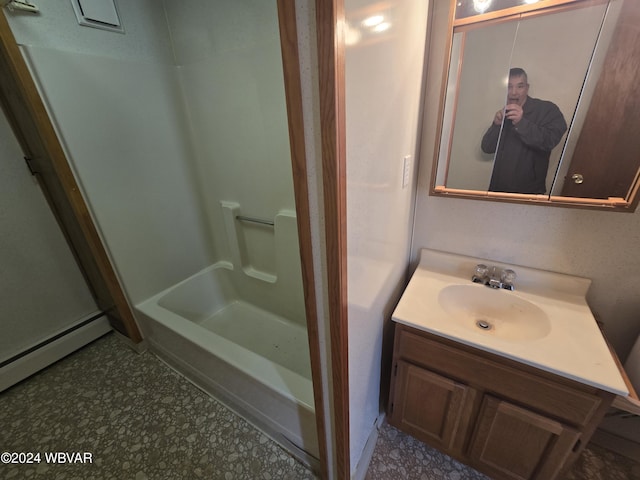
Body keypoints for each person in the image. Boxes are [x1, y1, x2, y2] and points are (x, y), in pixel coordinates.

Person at [481, 68, 567, 194]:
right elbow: (487, 148)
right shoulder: (505, 113)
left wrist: (521, 123)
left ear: (527, 88)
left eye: (519, 86)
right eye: (509, 87)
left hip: (529, 191)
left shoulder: (547, 109)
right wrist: (496, 125)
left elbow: (549, 141)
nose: (513, 92)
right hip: (498, 189)